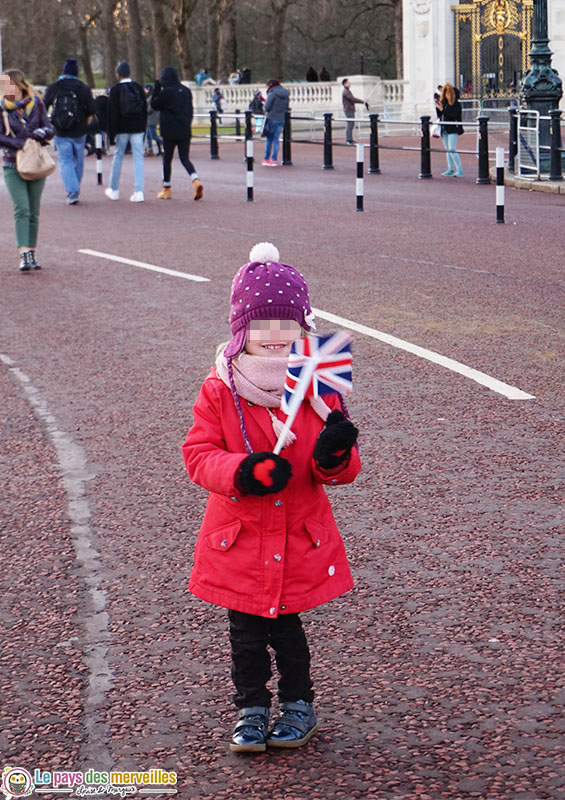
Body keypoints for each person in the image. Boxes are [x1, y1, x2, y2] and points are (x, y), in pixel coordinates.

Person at [181, 241, 361, 753]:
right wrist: (245, 470)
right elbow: (198, 456)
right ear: (243, 331)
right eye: (264, 327)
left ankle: (298, 704)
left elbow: (340, 472)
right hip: (238, 541)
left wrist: (332, 455)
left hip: (297, 533)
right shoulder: (219, 390)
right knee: (245, 634)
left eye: (288, 326)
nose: (277, 336)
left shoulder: (320, 390)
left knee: (287, 631)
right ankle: (252, 709)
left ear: (302, 331)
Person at [0, 69, 54, 271]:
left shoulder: (37, 103)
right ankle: (23, 253)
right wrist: (20, 142)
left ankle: (32, 251)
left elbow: (49, 127)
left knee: (34, 210)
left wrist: (43, 132)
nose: (5, 89)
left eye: (7, 84)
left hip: (35, 162)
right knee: (21, 208)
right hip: (12, 163)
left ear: (18, 84)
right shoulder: (2, 108)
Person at [43, 58, 96, 205]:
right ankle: (75, 188)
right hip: (80, 130)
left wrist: (48, 121)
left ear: (64, 71)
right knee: (78, 160)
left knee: (65, 160)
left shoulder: (54, 87)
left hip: (61, 129)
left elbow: (43, 105)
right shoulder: (83, 88)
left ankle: (72, 192)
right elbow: (92, 109)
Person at [150, 66, 203, 201]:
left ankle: (166, 189)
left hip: (169, 130)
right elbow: (190, 110)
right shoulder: (186, 91)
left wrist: (156, 89)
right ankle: (195, 180)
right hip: (184, 129)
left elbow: (155, 104)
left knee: (167, 159)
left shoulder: (167, 92)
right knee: (185, 158)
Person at [105, 61, 147, 202]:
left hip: (122, 128)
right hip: (138, 127)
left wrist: (112, 134)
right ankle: (139, 190)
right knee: (138, 158)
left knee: (118, 156)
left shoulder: (115, 90)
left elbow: (113, 114)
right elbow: (144, 110)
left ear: (118, 74)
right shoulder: (138, 88)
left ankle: (114, 188)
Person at [437, 82, 464, 177]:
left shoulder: (456, 104)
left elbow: (454, 116)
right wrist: (438, 108)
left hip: (453, 129)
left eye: (448, 93)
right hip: (444, 128)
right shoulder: (444, 103)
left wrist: (442, 110)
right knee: (448, 150)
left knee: (452, 149)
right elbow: (440, 116)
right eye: (445, 94)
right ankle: (450, 169)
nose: (446, 96)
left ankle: (460, 170)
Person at [262, 80, 289, 167]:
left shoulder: (272, 93)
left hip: (272, 117)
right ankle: (274, 160)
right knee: (276, 139)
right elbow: (286, 106)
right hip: (281, 118)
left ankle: (266, 158)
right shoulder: (285, 93)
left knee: (269, 139)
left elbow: (267, 107)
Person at [341, 78, 368, 145]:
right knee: (350, 125)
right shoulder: (346, 92)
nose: (349, 83)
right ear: (345, 84)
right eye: (348, 82)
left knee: (351, 124)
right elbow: (352, 99)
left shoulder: (347, 91)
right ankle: (349, 140)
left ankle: (350, 139)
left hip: (349, 109)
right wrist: (362, 101)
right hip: (349, 110)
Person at [144, 84, 162, 156]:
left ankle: (164, 144)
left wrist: (145, 111)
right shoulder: (150, 96)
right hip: (149, 119)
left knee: (153, 135)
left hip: (152, 119)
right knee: (148, 136)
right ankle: (150, 149)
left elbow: (151, 107)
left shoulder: (151, 97)